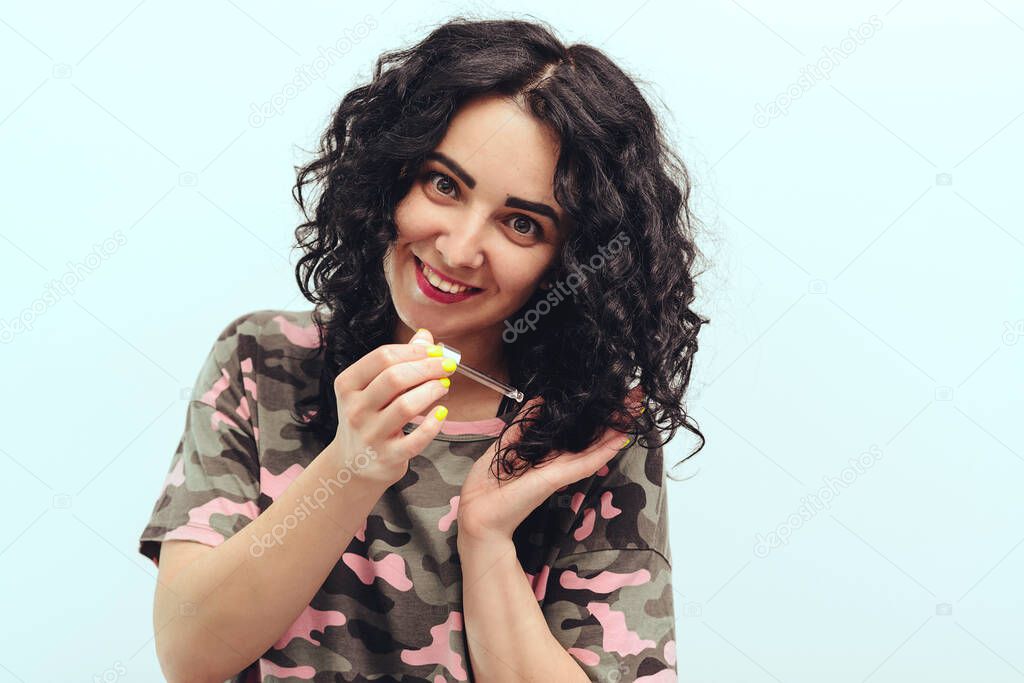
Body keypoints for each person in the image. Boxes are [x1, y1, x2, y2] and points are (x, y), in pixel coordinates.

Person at [138, 16, 707, 683]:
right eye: (445, 184)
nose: (458, 249)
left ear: (574, 261)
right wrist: (350, 466)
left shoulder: (591, 432)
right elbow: (188, 652)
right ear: (392, 174)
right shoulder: (265, 361)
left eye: (521, 223)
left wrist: (487, 536)